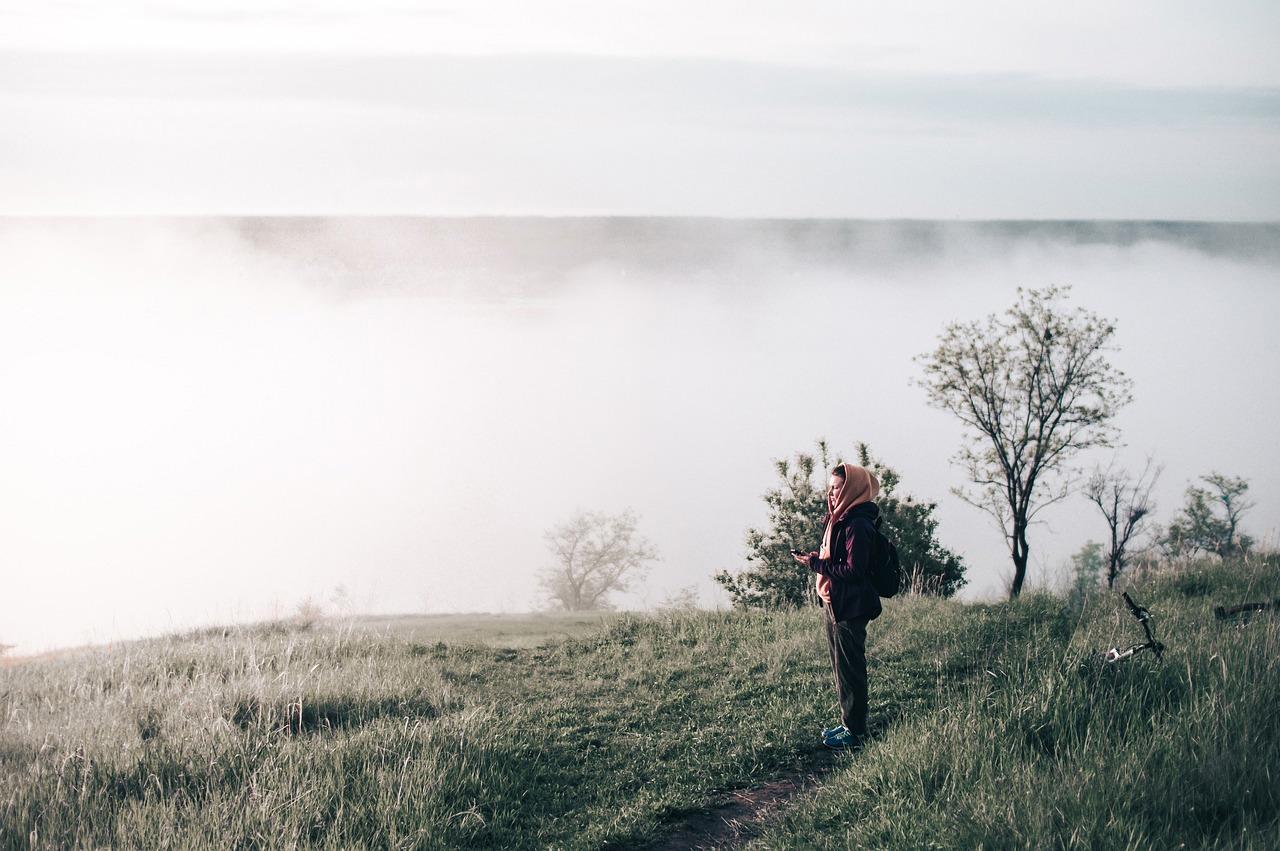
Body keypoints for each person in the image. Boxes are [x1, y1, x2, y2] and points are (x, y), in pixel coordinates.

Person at [793, 463, 882, 750]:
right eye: (831, 487)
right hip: (835, 602)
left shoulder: (858, 523)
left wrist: (816, 564)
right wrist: (817, 558)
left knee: (851, 668)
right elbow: (838, 558)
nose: (831, 493)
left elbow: (854, 571)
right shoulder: (840, 518)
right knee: (840, 667)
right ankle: (847, 724)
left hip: (850, 606)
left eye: (838, 487)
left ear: (853, 489)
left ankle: (855, 732)